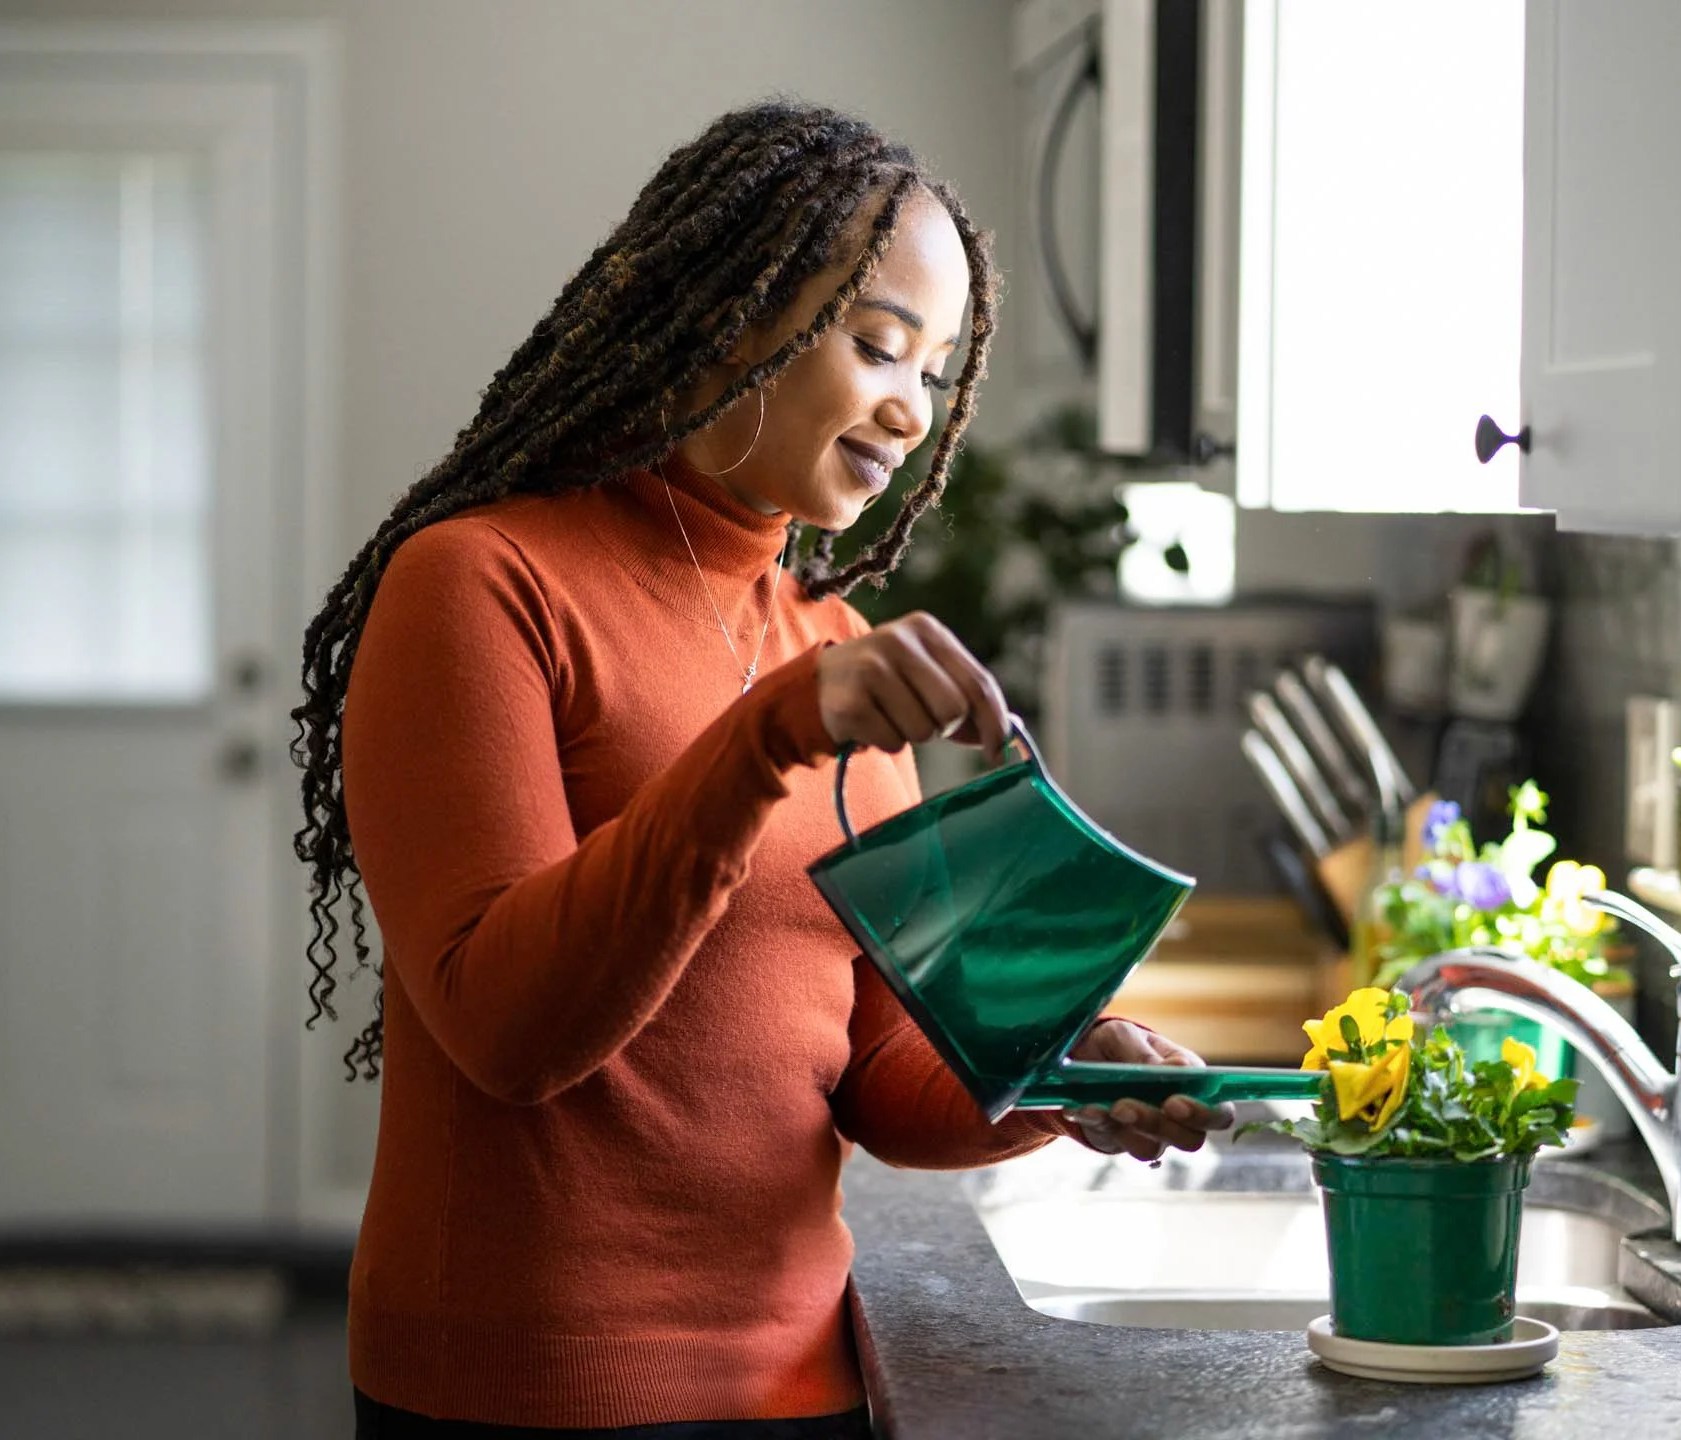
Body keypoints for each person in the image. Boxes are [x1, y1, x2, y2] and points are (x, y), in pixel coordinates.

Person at [292, 101, 1230, 1439]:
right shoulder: (479, 586)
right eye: (881, 346)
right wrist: (766, 739)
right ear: (733, 312)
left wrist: (1064, 1071)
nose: (912, 410)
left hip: (804, 1385)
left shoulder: (829, 649)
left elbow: (881, 1069)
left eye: (938, 371)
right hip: (518, 1393)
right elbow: (511, 1031)